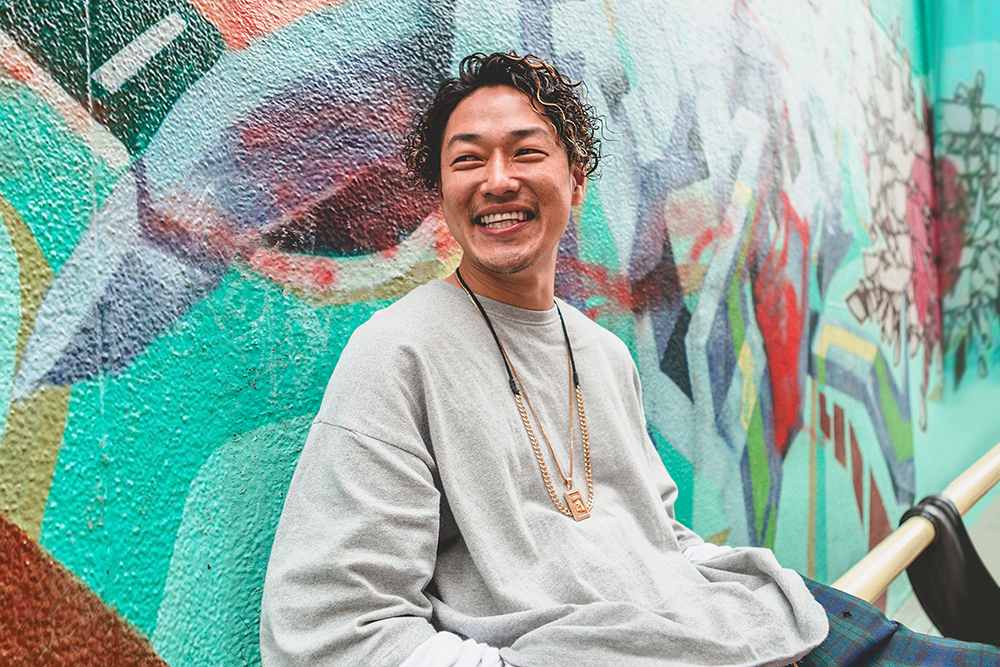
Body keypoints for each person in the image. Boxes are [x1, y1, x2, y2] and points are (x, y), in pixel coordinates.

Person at [260, 52, 1000, 667]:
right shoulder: (396, 352)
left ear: (575, 182)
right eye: (468, 160)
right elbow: (331, 632)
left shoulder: (604, 352)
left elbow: (656, 533)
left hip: (732, 623)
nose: (497, 179)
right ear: (443, 195)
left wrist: (728, 591)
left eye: (526, 152)